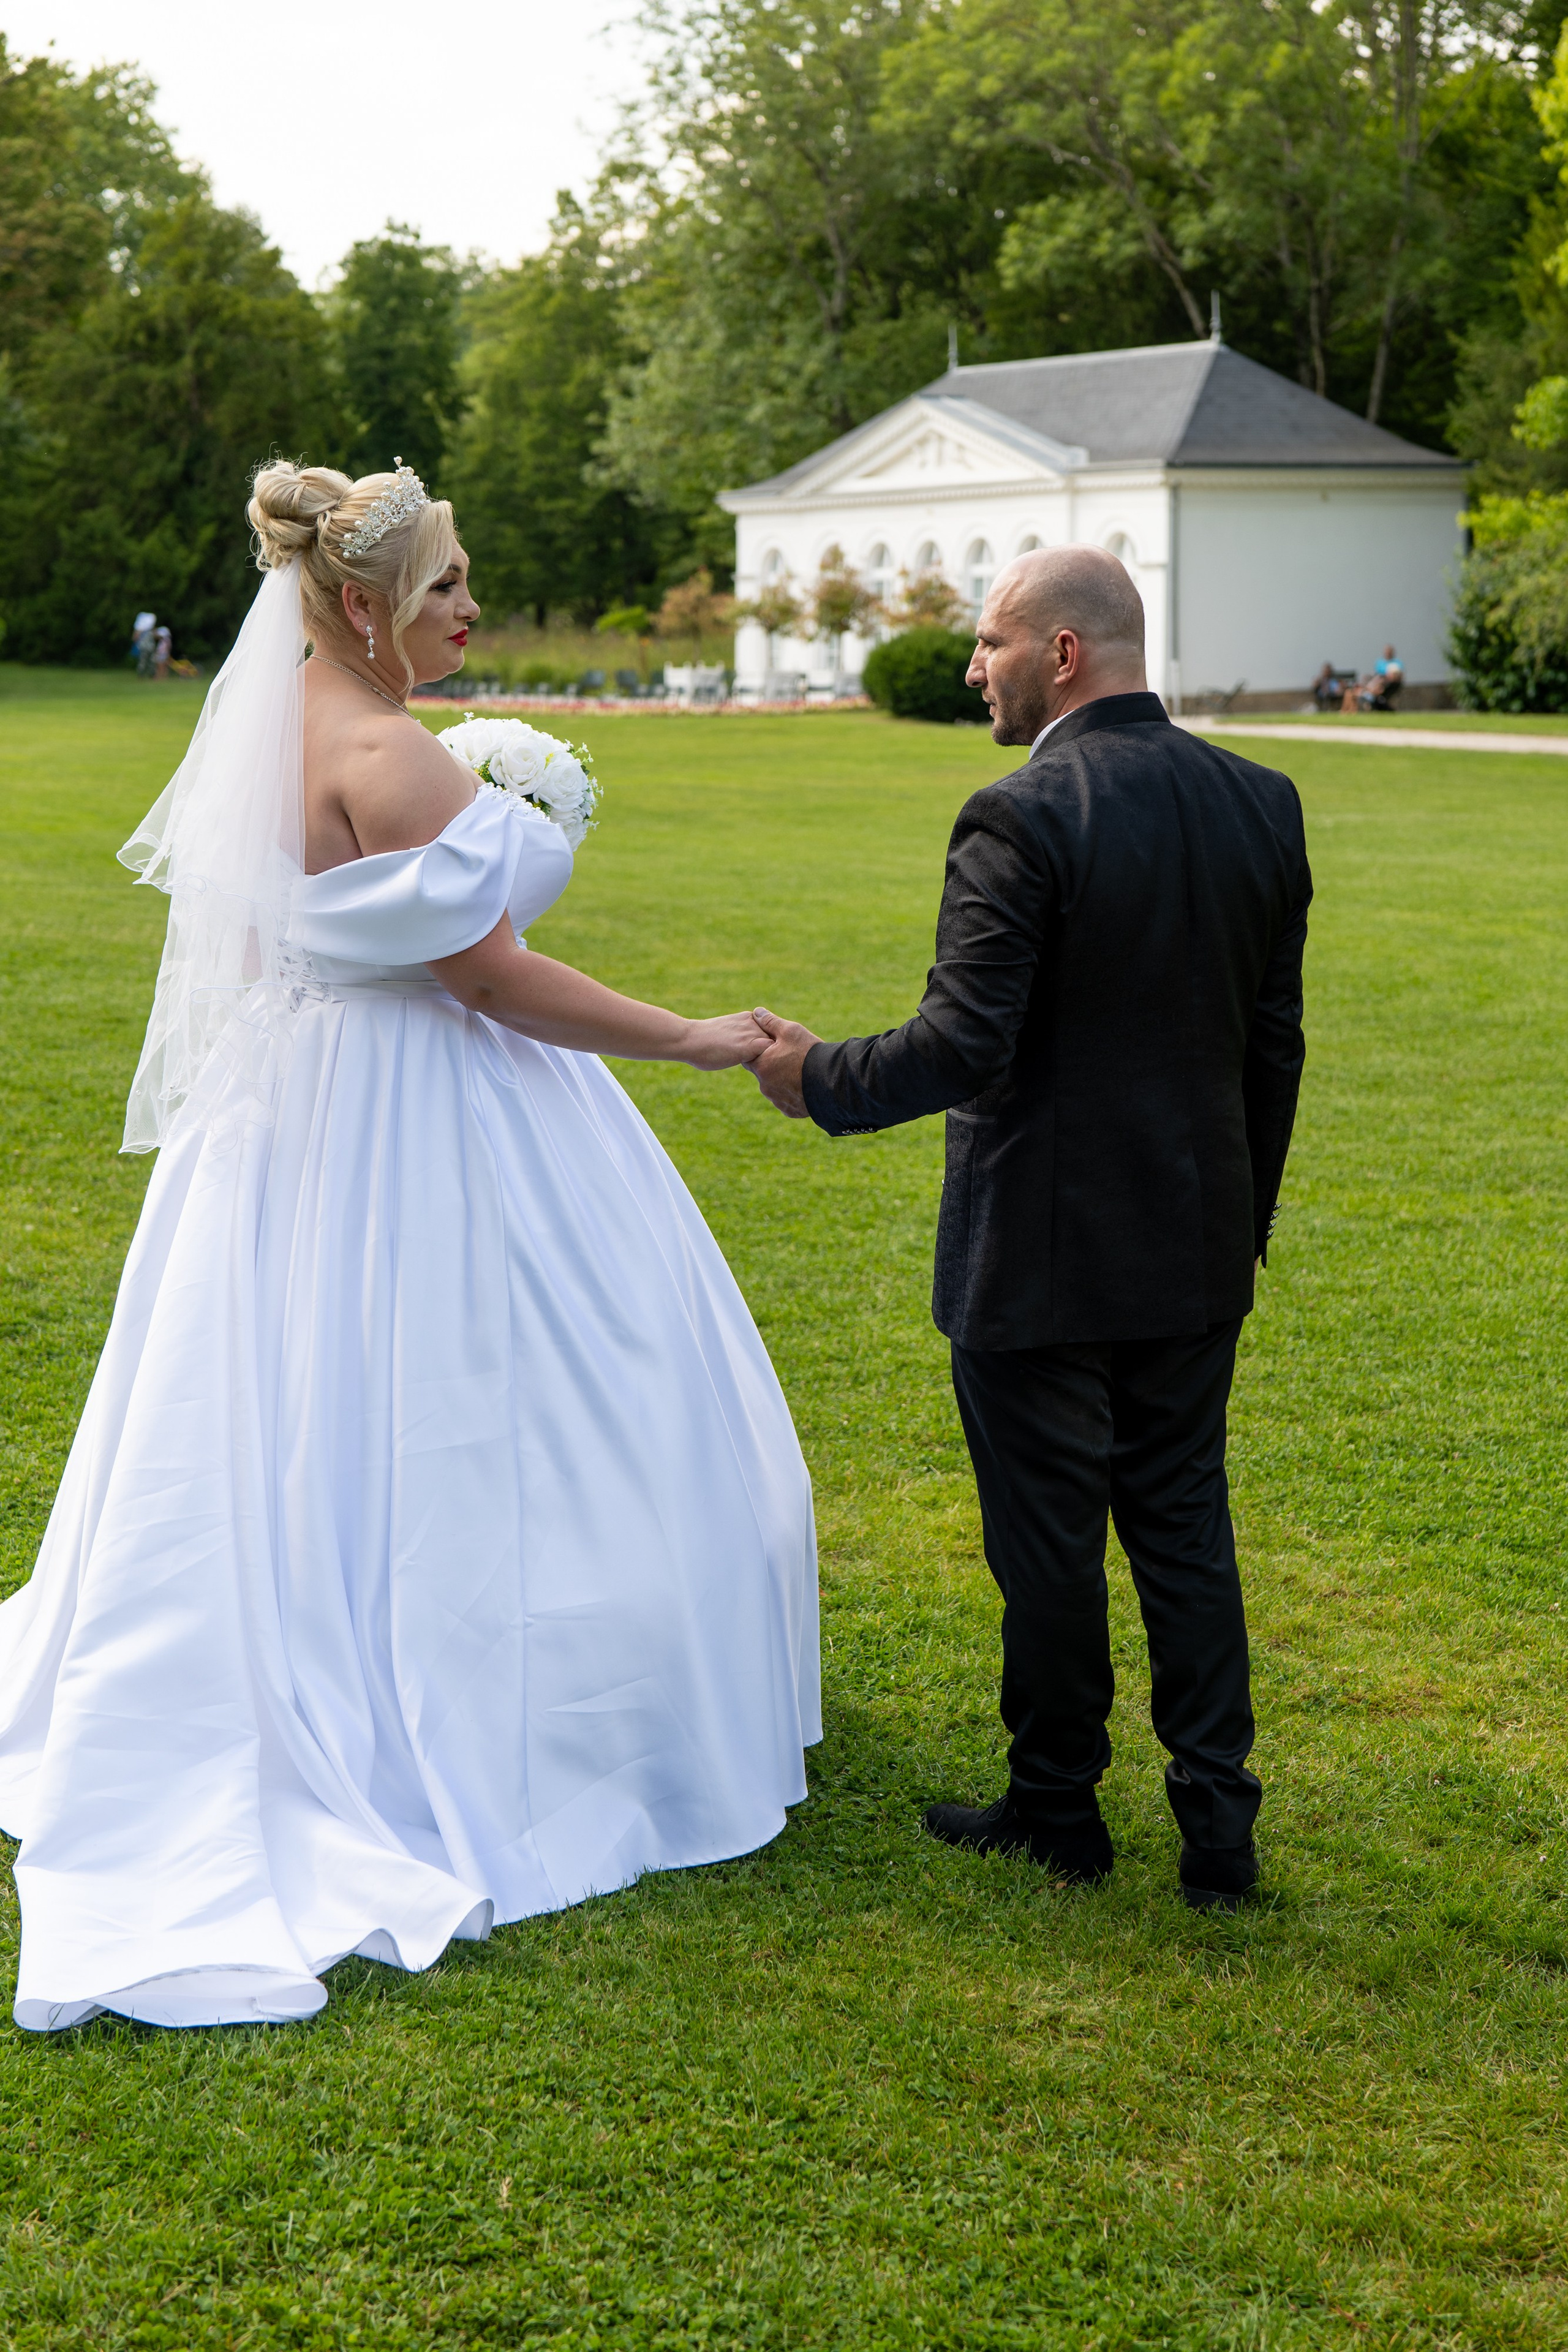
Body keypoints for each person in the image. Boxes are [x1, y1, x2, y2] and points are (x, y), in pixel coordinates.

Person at [0, 460, 820, 2031]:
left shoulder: (271, 729)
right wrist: (703, 1038)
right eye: (446, 586)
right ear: (366, 604)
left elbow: (261, 944)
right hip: (427, 1111)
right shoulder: (394, 757)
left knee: (292, 1390)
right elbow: (498, 987)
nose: (469, 608)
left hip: (287, 1106)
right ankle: (475, 1705)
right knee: (481, 1388)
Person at [748, 547, 1310, 1912]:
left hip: (1040, 1256)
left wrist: (812, 1075)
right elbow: (1271, 1045)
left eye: (989, 642)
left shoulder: (1017, 813)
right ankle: (1215, 1831)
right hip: (1192, 1240)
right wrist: (1240, 1217)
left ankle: (1058, 1810)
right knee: (1181, 1521)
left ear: (1063, 653)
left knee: (1049, 1541)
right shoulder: (1259, 801)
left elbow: (960, 1044)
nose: (970, 668)